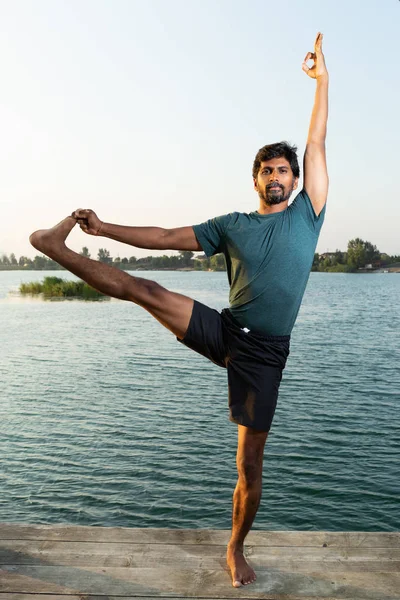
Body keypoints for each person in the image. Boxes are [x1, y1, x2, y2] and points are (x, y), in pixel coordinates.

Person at [30, 32, 329, 588]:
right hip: (226, 329)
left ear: (296, 178)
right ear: (256, 179)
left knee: (249, 467)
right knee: (144, 289)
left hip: (265, 355)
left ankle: (234, 548)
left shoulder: (308, 214)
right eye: (267, 169)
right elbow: (167, 235)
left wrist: (322, 82)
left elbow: (316, 140)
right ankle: (57, 246)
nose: (277, 175)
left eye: (284, 169)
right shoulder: (232, 225)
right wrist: (104, 226)